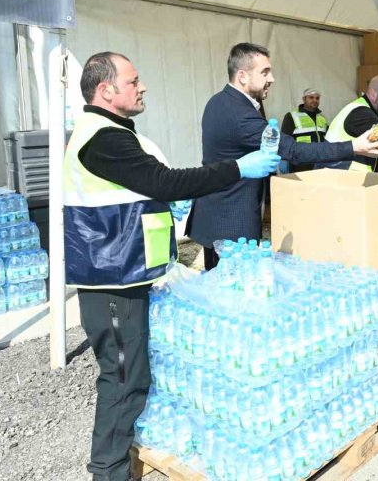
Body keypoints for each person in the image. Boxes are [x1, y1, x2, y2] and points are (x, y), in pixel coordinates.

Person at [64, 52, 281, 481]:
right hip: (111, 281)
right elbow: (164, 180)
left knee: (133, 372)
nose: (142, 86)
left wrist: (164, 203)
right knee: (123, 379)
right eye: (133, 81)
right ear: (105, 90)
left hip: (127, 272)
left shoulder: (114, 132)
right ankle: (108, 472)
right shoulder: (102, 138)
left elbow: (145, 187)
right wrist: (238, 168)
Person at [187, 42, 378, 270]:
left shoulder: (218, 101)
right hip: (232, 224)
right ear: (242, 76)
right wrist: (354, 146)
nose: (272, 79)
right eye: (265, 72)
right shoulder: (241, 115)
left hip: (212, 214)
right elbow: (293, 151)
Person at [322, 75, 378, 172]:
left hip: (339, 173)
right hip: (340, 176)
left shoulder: (359, 107)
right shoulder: (362, 113)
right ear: (373, 94)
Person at [280, 88, 328, 173]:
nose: (315, 100)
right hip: (300, 163)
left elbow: (328, 137)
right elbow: (285, 140)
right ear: (304, 99)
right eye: (311, 97)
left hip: (321, 161)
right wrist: (285, 161)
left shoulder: (322, 117)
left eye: (317, 98)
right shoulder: (291, 116)